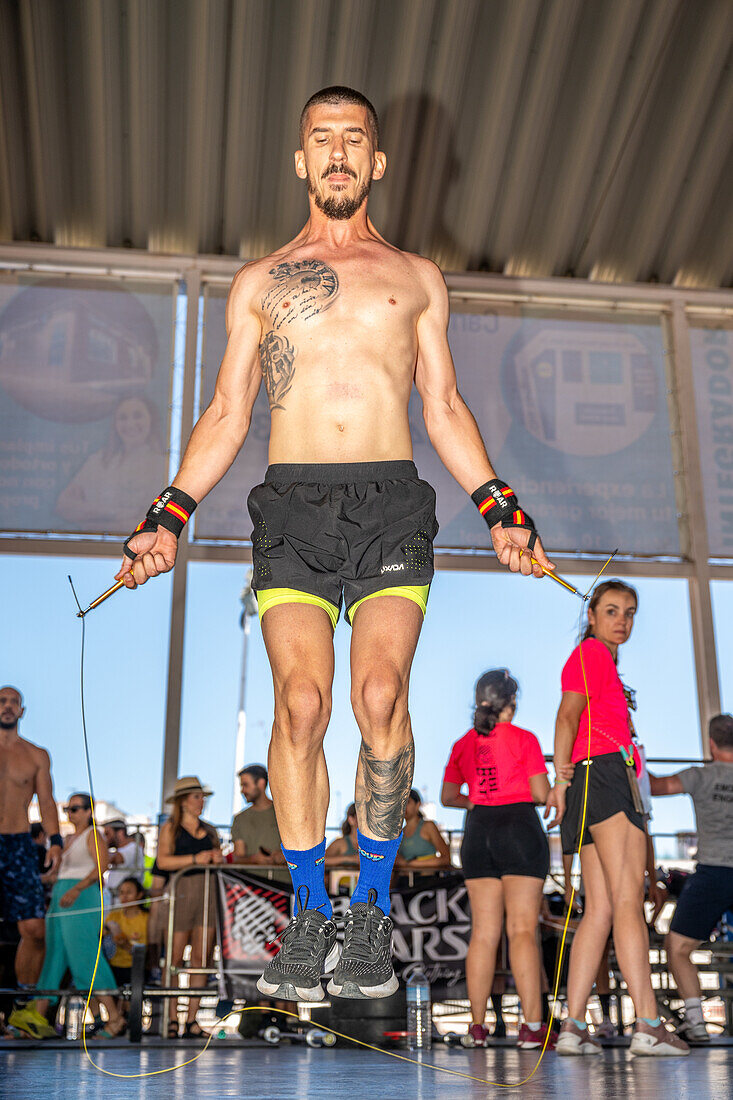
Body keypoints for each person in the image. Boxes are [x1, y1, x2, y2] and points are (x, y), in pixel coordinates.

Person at [115, 85, 552, 1003]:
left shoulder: (416, 277)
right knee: (304, 706)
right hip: (294, 511)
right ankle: (311, 912)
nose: (339, 152)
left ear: (377, 162)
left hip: (392, 503)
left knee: (379, 693)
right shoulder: (259, 283)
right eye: (323, 140)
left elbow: (441, 405)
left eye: (355, 139)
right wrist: (169, 512)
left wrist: (499, 505)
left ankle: (371, 916)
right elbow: (230, 410)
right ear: (302, 162)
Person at [545, 580, 688, 1057]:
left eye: (629, 612)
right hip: (603, 778)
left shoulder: (599, 659)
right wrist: (560, 781)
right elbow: (566, 717)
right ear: (591, 615)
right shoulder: (592, 655)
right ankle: (648, 1024)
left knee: (602, 908)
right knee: (627, 904)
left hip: (593, 782)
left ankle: (574, 1025)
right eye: (611, 611)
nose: (622, 620)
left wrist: (567, 781)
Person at [441, 669, 552, 1049]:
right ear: (512, 703)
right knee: (521, 930)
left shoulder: (462, 743)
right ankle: (533, 1028)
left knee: (483, 934)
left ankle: (476, 1027)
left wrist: (478, 799)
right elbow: (540, 793)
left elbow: (447, 795)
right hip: (518, 826)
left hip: (478, 830)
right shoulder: (525, 739)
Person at [649, 713, 733, 1043]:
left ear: (711, 744)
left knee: (678, 947)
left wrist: (632, 757)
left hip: (713, 871)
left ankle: (696, 1023)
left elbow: (656, 787)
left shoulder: (700, 775)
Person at [32, 793, 126, 1038]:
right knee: (54, 957)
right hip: (61, 898)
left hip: (80, 898)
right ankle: (36, 1018)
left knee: (85, 955)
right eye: (68, 809)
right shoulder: (67, 839)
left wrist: (76, 888)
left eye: (75, 809)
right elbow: (58, 873)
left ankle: (115, 1018)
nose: (70, 814)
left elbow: (101, 866)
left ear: (88, 810)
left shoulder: (93, 835)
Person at [0, 686, 64, 1039]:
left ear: (22, 711)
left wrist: (55, 841)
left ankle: (23, 1008)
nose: (7, 707)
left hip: (19, 844)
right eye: (2, 701)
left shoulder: (36, 754)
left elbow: (47, 800)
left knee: (34, 930)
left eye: (13, 703)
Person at [155, 776, 222, 1039]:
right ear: (183, 800)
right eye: (196, 796)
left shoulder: (211, 830)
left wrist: (216, 859)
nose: (201, 801)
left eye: (202, 796)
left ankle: (192, 1020)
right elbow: (162, 861)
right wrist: (196, 858)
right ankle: (172, 1019)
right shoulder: (170, 828)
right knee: (173, 958)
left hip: (207, 892)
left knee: (201, 959)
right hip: (181, 891)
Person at [55, 395, 167, 531]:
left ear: (151, 420)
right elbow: (63, 505)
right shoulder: (97, 461)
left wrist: (91, 520)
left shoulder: (162, 466)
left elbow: (147, 522)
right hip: (89, 546)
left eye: (138, 416)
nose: (130, 424)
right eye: (123, 418)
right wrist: (115, 514)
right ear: (115, 424)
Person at [231, 764, 288, 883]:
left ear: (261, 783)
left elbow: (301, 848)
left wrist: (284, 856)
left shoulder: (286, 813)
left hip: (286, 887)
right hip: (252, 890)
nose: (242, 790)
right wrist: (254, 859)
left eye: (245, 785)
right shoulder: (240, 819)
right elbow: (237, 857)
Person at [105, 877, 149, 989]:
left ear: (139, 895)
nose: (124, 896)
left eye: (129, 892)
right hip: (112, 967)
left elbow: (145, 954)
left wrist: (124, 944)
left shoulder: (147, 919)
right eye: (121, 892)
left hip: (136, 969)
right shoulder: (112, 916)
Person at [394, 790, 451, 874]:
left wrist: (412, 863)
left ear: (418, 805)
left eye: (408, 802)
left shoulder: (428, 826)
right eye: (400, 803)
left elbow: (446, 859)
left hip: (427, 882)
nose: (403, 806)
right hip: (405, 883)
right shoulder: (399, 833)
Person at [104, 818, 146, 899]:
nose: (105, 838)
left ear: (120, 833)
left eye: (107, 834)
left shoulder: (134, 848)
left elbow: (114, 859)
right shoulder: (120, 850)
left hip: (124, 902)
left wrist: (100, 845)